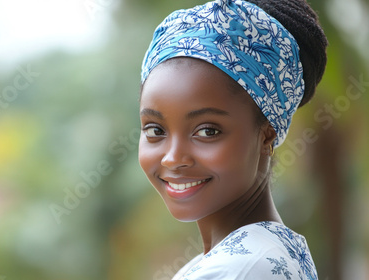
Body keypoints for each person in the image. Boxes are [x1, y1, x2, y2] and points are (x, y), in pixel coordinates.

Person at [138, 0, 328, 279]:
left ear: (267, 134)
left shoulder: (239, 269)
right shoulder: (258, 256)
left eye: (207, 131)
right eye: (156, 130)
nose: (173, 158)